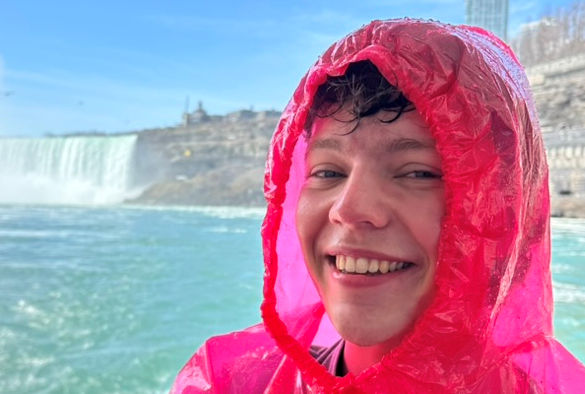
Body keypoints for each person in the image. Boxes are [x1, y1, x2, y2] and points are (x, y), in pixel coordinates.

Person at [171, 19, 585, 392]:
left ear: (502, 213)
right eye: (328, 172)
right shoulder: (231, 383)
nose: (349, 210)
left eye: (418, 172)